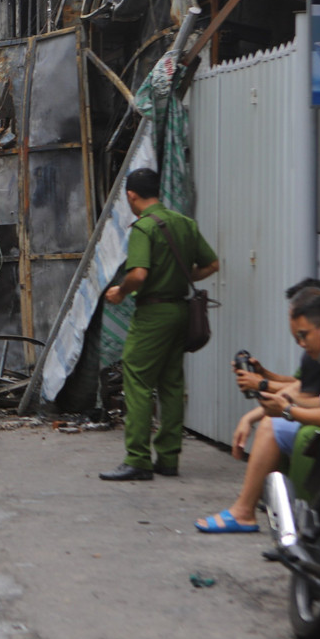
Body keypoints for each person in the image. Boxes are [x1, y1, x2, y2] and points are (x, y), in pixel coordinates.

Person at [196, 291, 320, 532]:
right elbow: (312, 397)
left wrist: (285, 409)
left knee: (290, 430)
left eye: (303, 335)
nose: (300, 342)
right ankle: (268, 513)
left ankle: (283, 518)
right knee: (274, 425)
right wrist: (268, 398)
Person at [100, 168, 219, 481]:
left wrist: (120, 292)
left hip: (153, 314)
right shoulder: (185, 224)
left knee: (137, 381)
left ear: (131, 196)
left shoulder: (144, 228)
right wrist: (181, 278)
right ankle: (168, 459)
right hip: (180, 311)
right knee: (171, 384)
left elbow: (139, 274)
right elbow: (212, 264)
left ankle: (137, 459)